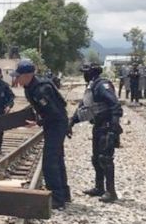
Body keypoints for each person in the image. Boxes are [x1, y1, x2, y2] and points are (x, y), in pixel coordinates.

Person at [11, 59, 70, 210]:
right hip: (54, 123)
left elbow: (54, 113)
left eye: (19, 76)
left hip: (56, 124)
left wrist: (38, 123)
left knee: (50, 162)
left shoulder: (41, 89)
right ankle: (64, 194)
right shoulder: (30, 87)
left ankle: (57, 199)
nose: (17, 79)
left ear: (28, 75)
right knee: (57, 158)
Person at [71, 63, 123, 203]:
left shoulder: (102, 85)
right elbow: (84, 108)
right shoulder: (92, 86)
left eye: (85, 72)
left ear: (91, 73)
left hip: (107, 126)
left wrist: (114, 126)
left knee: (105, 158)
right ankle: (99, 187)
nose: (83, 75)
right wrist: (71, 122)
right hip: (98, 125)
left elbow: (115, 105)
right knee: (96, 158)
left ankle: (111, 192)